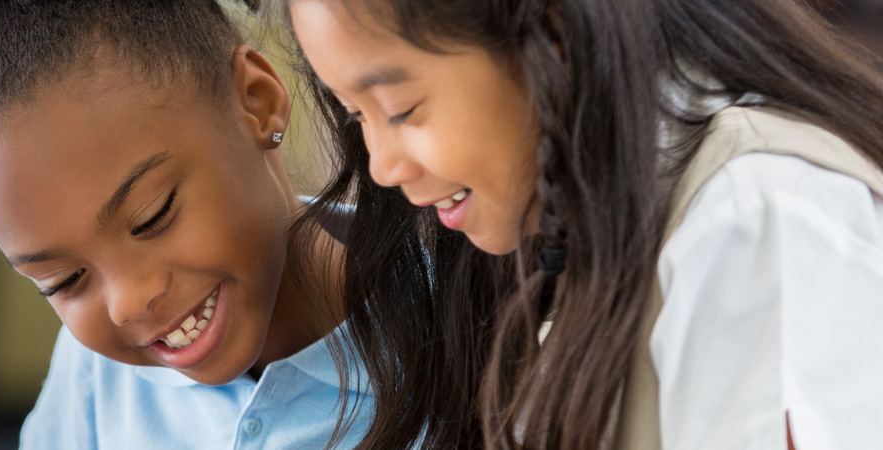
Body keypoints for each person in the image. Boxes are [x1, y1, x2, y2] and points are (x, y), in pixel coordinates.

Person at [287, 0, 883, 448]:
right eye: (356, 115)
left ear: (555, 35)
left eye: (400, 110)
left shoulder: (759, 221)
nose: (383, 166)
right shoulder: (587, 223)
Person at [0, 0, 466, 448]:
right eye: (65, 281)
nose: (128, 303)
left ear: (256, 102)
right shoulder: (93, 378)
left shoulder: (472, 324)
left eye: (152, 216)